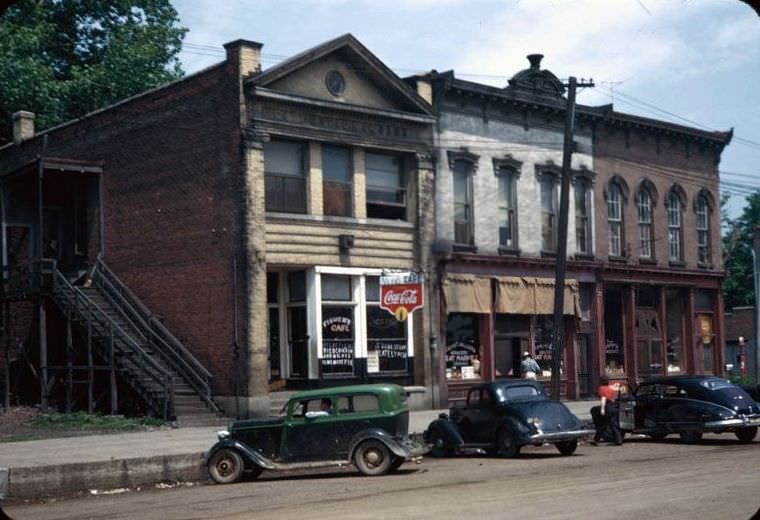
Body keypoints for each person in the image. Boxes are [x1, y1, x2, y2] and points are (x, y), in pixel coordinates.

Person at [592, 376, 622, 445]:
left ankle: (596, 440)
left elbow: (603, 399)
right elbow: (613, 399)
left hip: (607, 407)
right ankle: (619, 439)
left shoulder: (601, 388)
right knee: (613, 424)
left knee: (602, 424)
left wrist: (602, 409)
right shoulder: (611, 389)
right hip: (613, 407)